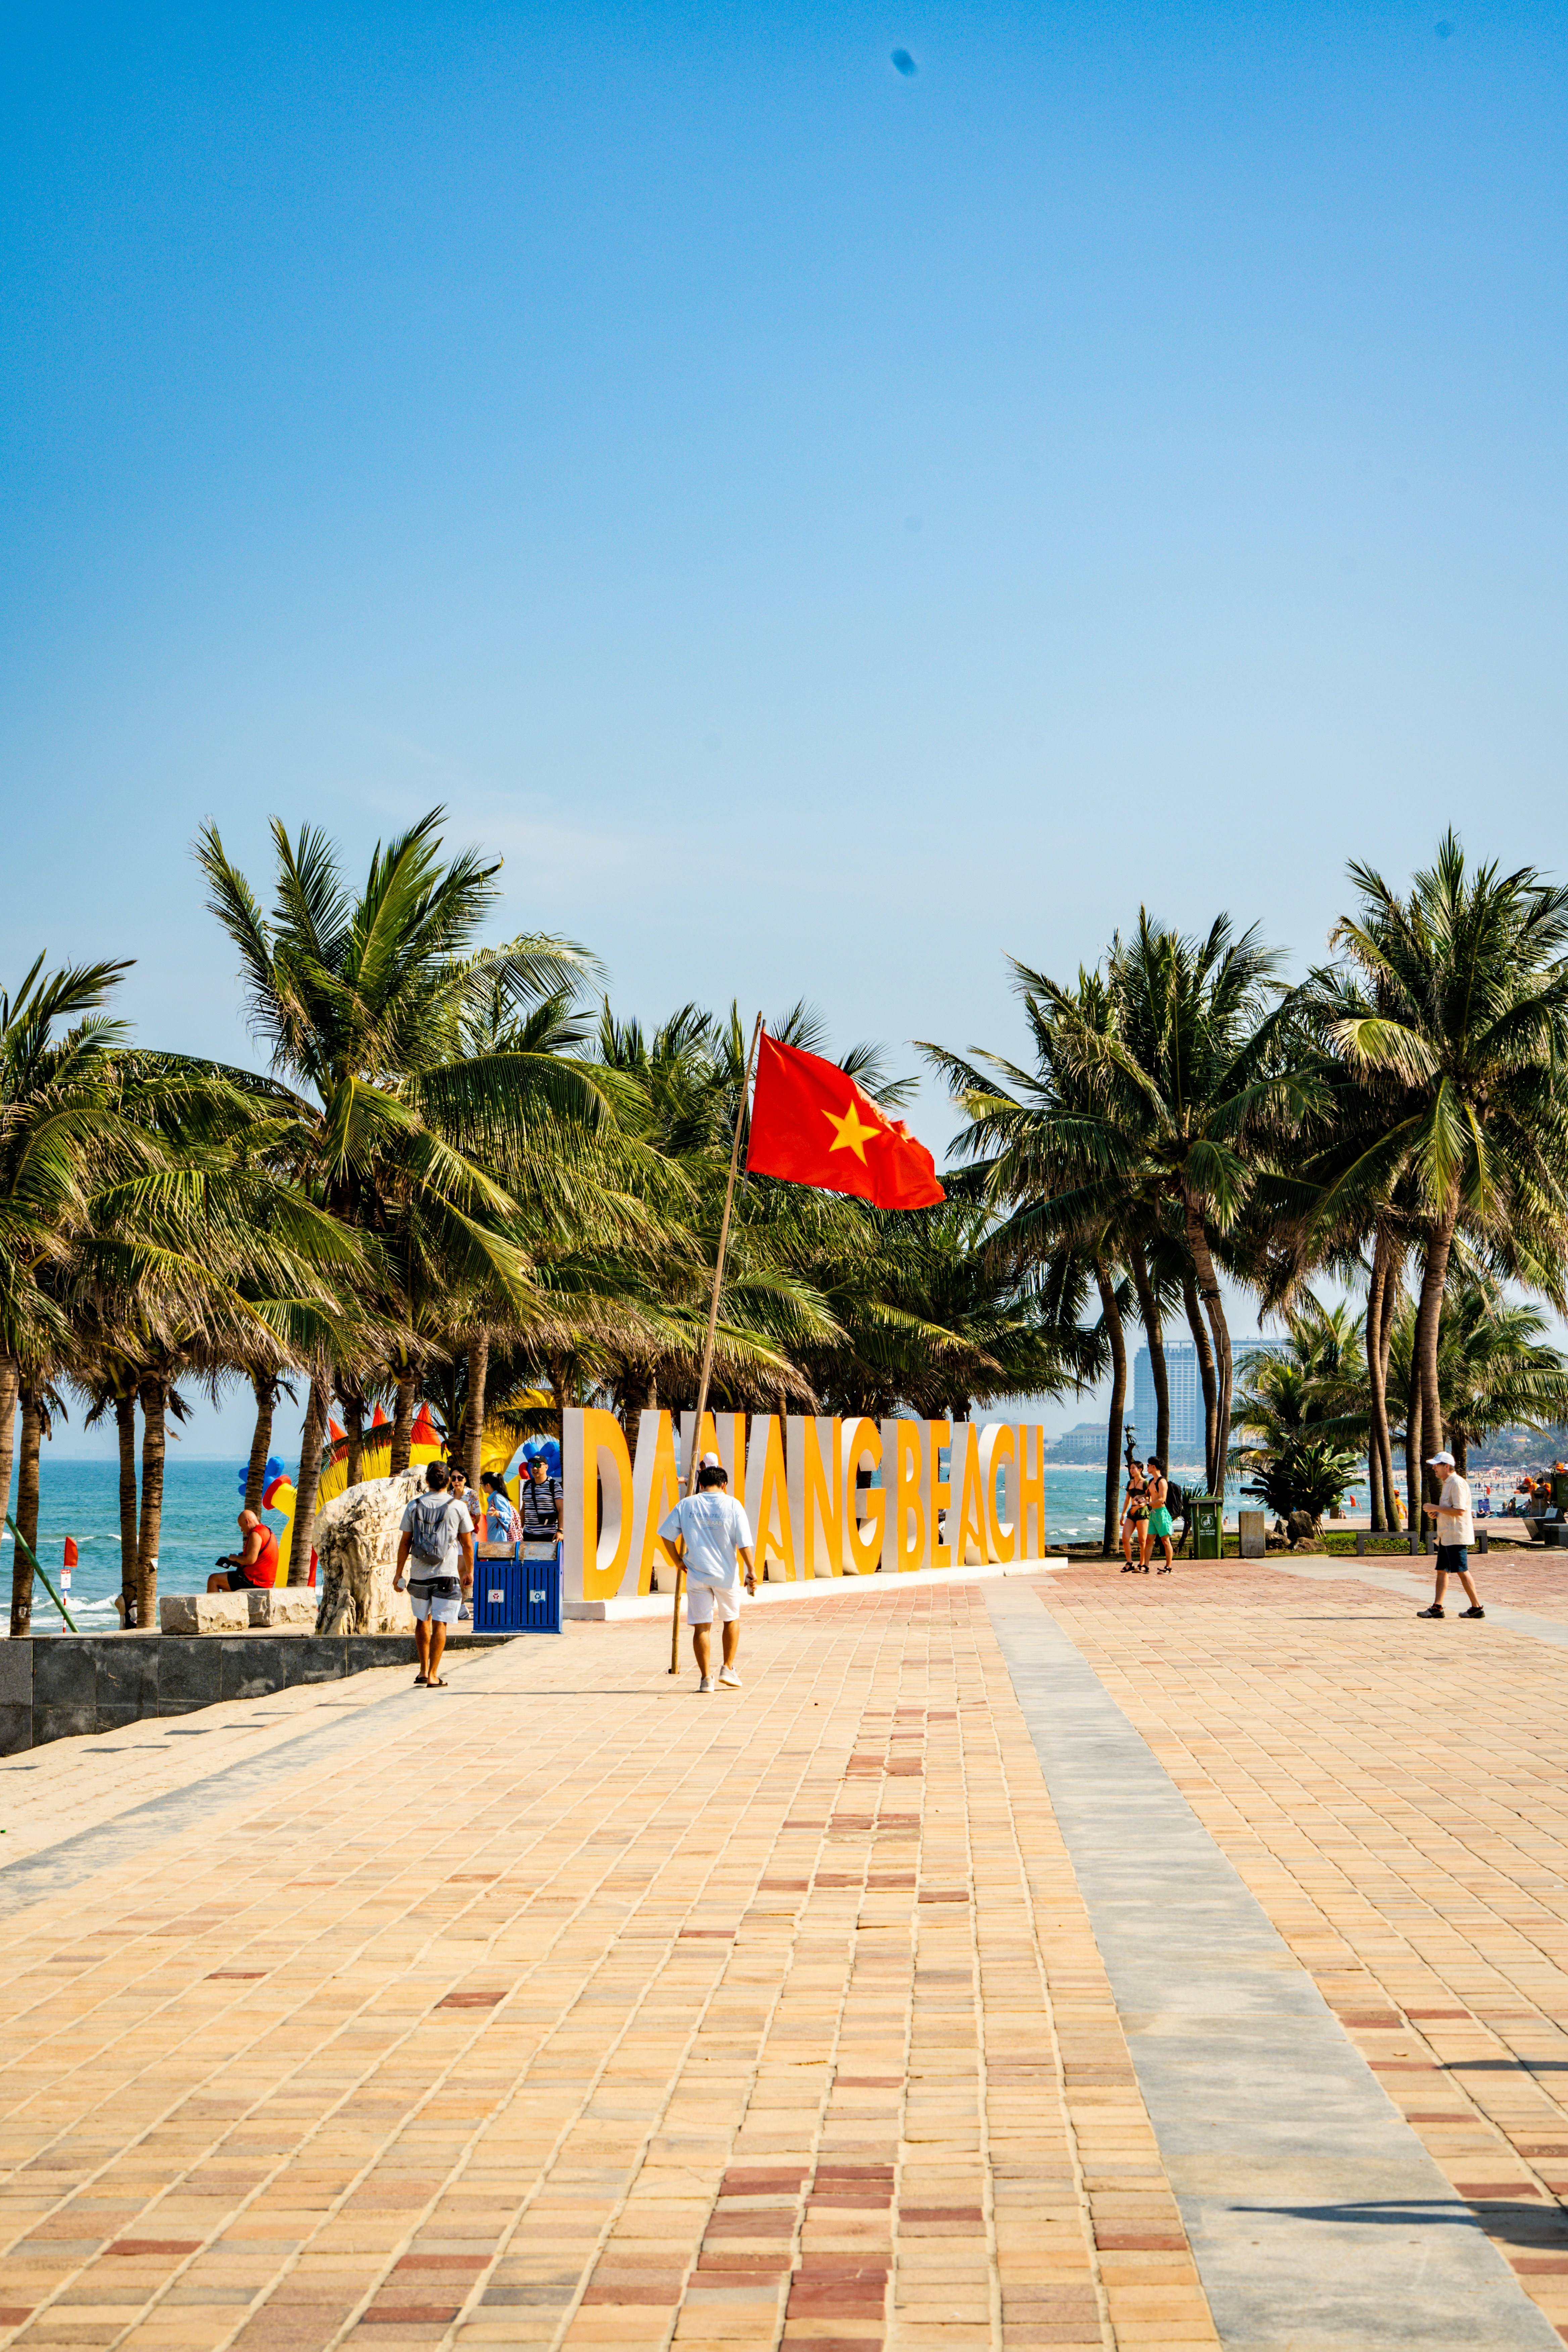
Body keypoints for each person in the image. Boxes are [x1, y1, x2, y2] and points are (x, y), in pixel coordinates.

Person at [659, 1458, 756, 1692]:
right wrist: (751, 1571)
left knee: (701, 1627)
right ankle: (728, 1668)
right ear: (725, 1485)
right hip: (726, 1575)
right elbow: (743, 1544)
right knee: (731, 1619)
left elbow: (666, 1535)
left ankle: (706, 1679)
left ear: (701, 1484)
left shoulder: (687, 1505)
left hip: (697, 1574)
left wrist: (678, 1562)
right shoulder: (733, 1505)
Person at [393, 1461, 475, 1684]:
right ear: (449, 1481)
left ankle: (422, 1670)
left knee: (422, 1621)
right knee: (441, 1623)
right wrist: (469, 1571)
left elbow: (405, 1542)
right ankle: (433, 1674)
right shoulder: (458, 1507)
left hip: (420, 1574)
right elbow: (467, 1544)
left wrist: (398, 1573)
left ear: (427, 1481)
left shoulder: (414, 1506)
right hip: (446, 1574)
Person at [1418, 1448, 1483, 1619]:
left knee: (1462, 1570)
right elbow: (1452, 1510)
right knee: (1442, 1570)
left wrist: (1435, 1508)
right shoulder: (1448, 1483)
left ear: (1447, 1466)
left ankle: (1477, 1607)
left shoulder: (1457, 1483)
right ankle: (1437, 1607)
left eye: (1436, 1466)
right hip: (1447, 1536)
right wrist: (1438, 1513)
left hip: (1456, 1535)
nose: (1434, 1468)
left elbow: (1461, 1510)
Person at [208, 1509, 280, 1594]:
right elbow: (256, 1559)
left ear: (247, 1522)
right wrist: (237, 1562)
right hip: (265, 1581)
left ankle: (213, 1608)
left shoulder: (256, 1533)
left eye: (241, 1526)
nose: (242, 1530)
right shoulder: (267, 1531)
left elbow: (250, 1560)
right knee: (226, 1583)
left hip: (256, 1582)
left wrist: (235, 1558)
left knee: (213, 1579)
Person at [519, 1452, 564, 1547]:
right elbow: (524, 1509)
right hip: (529, 1535)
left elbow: (562, 1509)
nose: (535, 1468)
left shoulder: (554, 1486)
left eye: (538, 1465)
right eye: (532, 1465)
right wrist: (519, 1530)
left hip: (549, 1535)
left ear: (546, 1467)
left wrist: (561, 1531)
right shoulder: (527, 1485)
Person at [1142, 1457, 1175, 1574]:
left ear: (1153, 1467)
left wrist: (1148, 1503)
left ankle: (1168, 1567)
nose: (1147, 1468)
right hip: (1153, 1514)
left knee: (1165, 1540)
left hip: (1162, 1513)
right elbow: (1147, 1496)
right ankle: (1145, 1566)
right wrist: (1139, 1499)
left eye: (1148, 1465)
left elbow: (1162, 1499)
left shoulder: (1162, 1482)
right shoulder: (1151, 1482)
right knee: (1149, 1540)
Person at [480, 1470, 522, 1546]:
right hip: (495, 1540)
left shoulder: (497, 1498)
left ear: (488, 1485)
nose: (481, 1486)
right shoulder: (494, 1498)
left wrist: (497, 1513)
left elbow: (508, 1516)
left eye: (482, 1484)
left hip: (500, 1541)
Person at [1120, 1460, 1148, 1572]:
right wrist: (1123, 1515)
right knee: (1125, 1538)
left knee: (1142, 1541)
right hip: (1131, 1512)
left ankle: (1142, 1564)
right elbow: (1127, 1500)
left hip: (1143, 1512)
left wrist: (1139, 1505)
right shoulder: (1130, 1483)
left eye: (1134, 1468)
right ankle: (1130, 1562)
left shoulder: (1145, 1483)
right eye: (1131, 1468)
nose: (1131, 1471)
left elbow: (1149, 1498)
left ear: (1140, 1470)